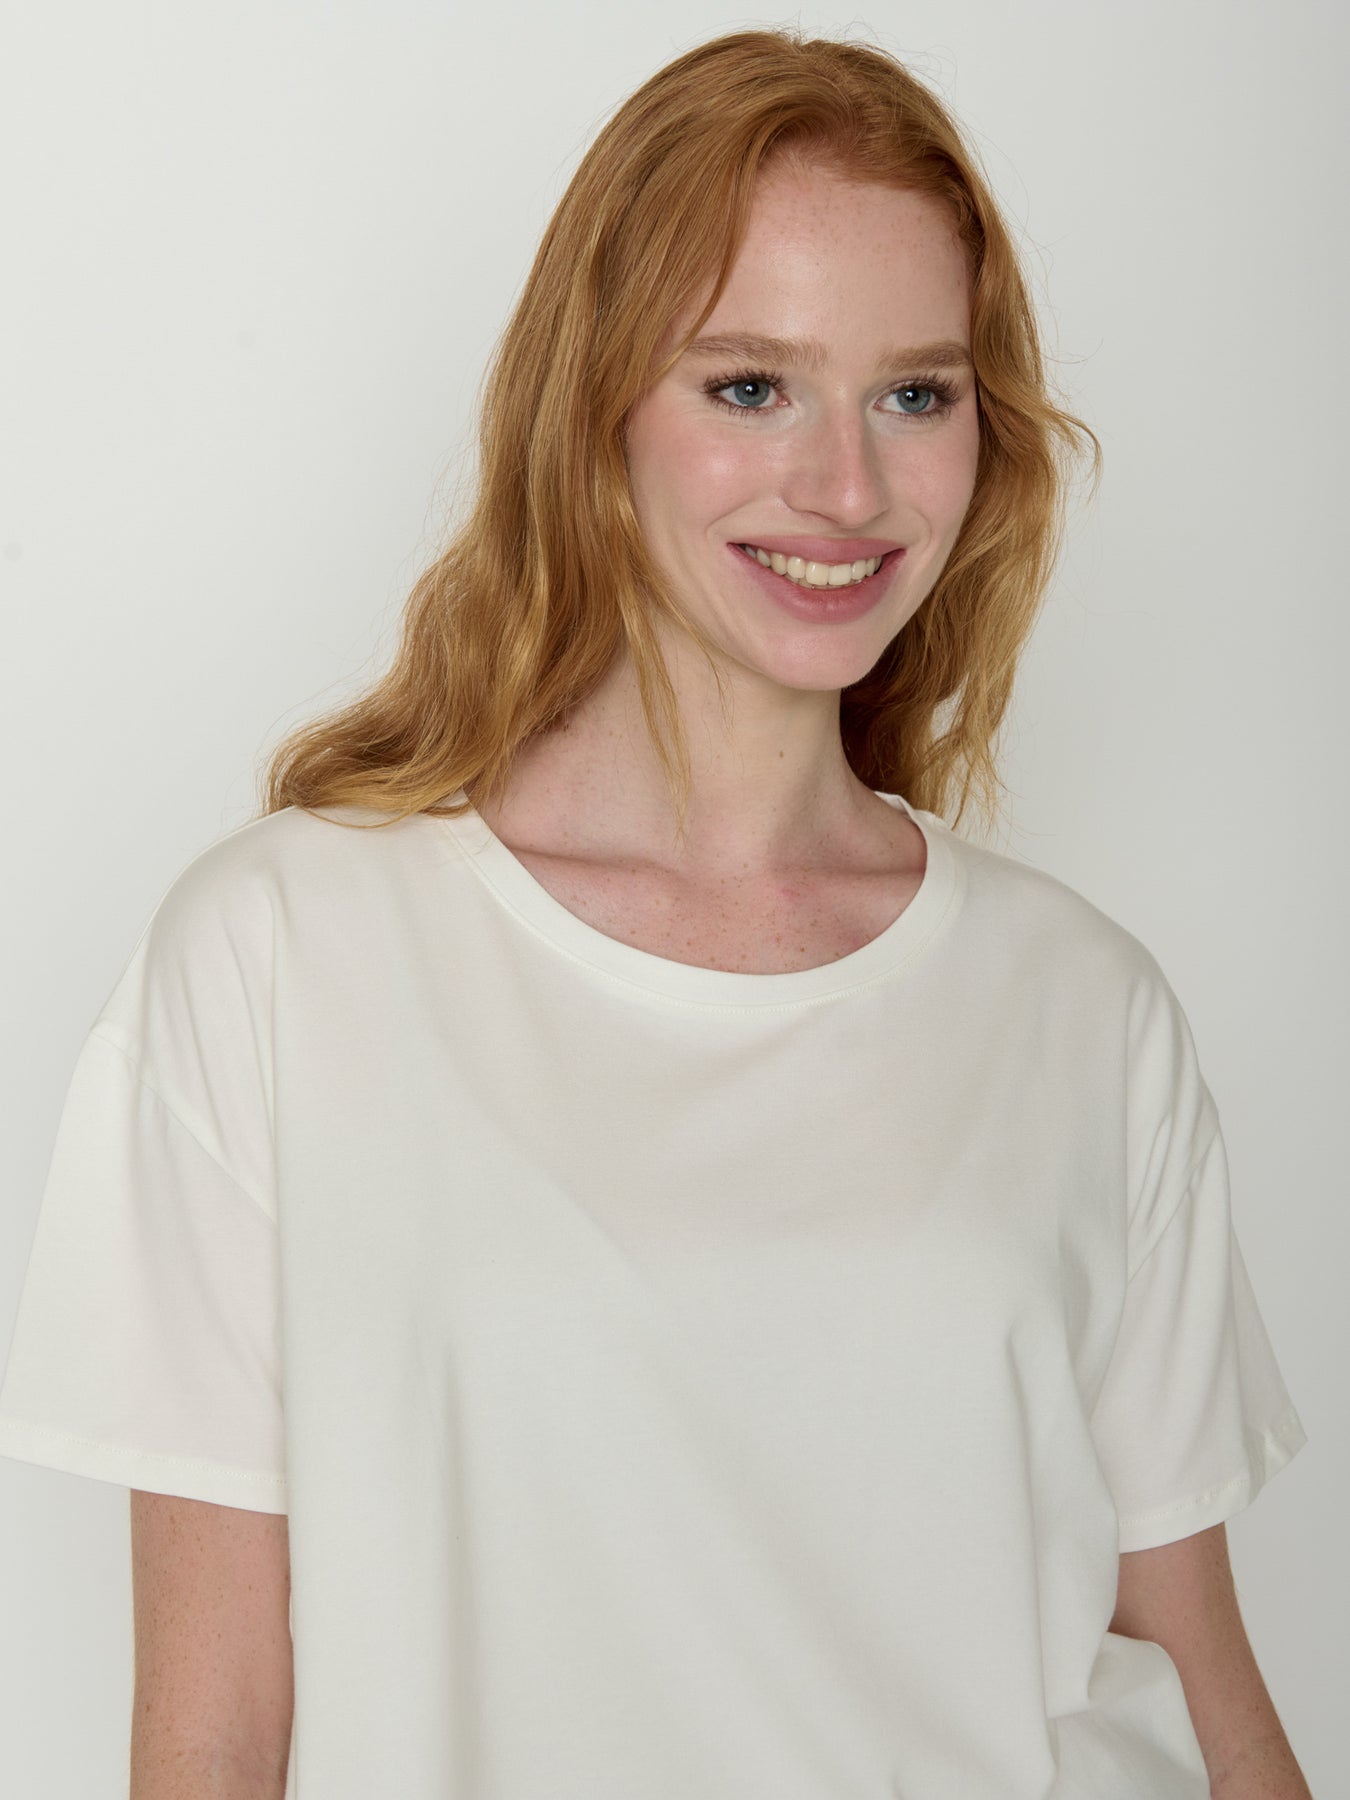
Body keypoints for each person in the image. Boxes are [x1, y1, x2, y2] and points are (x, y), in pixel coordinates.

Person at [0, 26, 1312, 1800]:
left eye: (915, 395)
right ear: (594, 408)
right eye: (749, 386)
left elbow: (1196, 1678)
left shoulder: (1080, 1007)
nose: (846, 489)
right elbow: (215, 1736)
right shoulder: (283, 960)